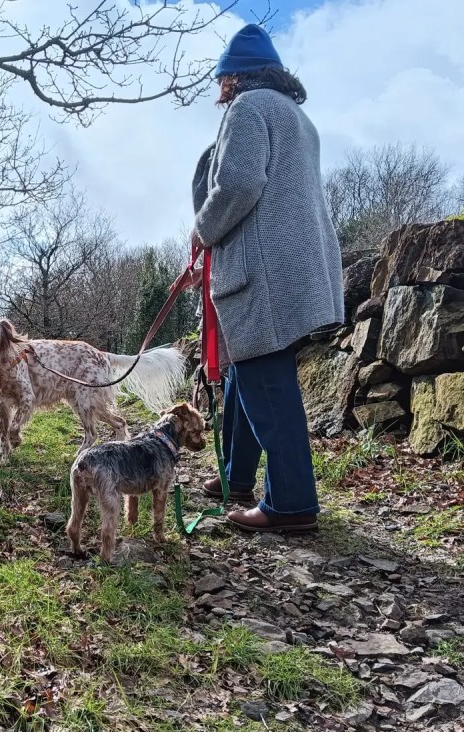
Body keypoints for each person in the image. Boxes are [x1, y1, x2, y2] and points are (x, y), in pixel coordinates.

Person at [190, 23, 344, 533]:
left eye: (221, 81)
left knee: (267, 383)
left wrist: (202, 230)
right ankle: (237, 477)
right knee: (246, 373)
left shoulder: (247, 108)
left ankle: (292, 505)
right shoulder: (298, 117)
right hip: (298, 264)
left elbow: (237, 184)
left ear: (232, 77)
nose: (220, 90)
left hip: (265, 271)